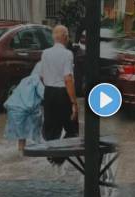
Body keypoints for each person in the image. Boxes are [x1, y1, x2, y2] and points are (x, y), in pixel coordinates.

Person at [40, 25, 79, 165]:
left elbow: (42, 77)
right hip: (63, 93)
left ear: (53, 37)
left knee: (50, 130)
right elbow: (68, 78)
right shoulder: (68, 54)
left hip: (49, 92)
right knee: (72, 130)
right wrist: (74, 103)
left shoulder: (45, 53)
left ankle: (53, 159)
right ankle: (59, 157)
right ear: (65, 37)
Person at [4, 62, 44, 151]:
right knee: (37, 133)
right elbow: (45, 96)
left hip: (13, 108)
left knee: (21, 137)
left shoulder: (26, 79)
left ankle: (21, 154)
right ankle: (35, 153)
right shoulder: (37, 81)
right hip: (23, 110)